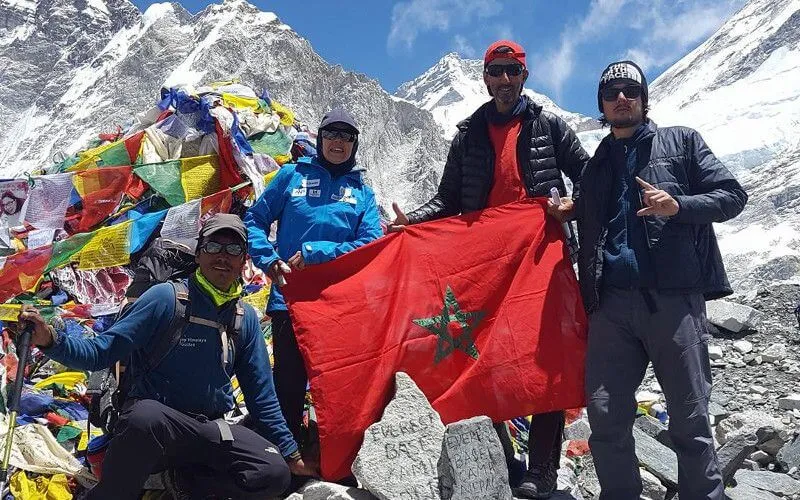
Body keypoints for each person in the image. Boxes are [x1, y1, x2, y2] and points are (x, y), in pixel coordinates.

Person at [388, 40, 590, 499]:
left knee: (548, 358)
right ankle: (500, 458)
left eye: (511, 71)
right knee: (484, 358)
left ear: (524, 75)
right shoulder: (469, 135)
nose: (504, 79)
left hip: (540, 259)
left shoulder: (549, 126)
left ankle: (542, 471)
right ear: (485, 77)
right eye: (496, 71)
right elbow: (448, 199)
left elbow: (589, 175)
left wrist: (572, 206)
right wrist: (411, 223)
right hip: (485, 268)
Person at [18, 214, 315, 500]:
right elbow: (100, 352)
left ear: (243, 261)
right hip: (155, 431)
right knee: (144, 416)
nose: (222, 256)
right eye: (213, 246)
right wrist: (51, 340)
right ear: (198, 254)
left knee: (273, 473)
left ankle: (186, 483)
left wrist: (291, 455)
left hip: (209, 429)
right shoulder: (166, 299)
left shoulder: (244, 318)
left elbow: (262, 397)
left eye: (233, 249)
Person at [576, 60, 748, 500]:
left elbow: (732, 196)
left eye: (630, 90)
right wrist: (568, 212)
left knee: (690, 417)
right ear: (601, 104)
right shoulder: (595, 166)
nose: (621, 98)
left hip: (673, 300)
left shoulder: (682, 142)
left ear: (644, 98)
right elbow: (590, 225)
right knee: (604, 415)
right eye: (611, 92)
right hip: (611, 306)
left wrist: (679, 206)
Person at [245, 107, 383, 450]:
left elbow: (371, 244)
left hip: (341, 305)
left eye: (346, 136)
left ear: (355, 144)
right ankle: (286, 458)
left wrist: (317, 252)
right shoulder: (291, 176)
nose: (338, 141)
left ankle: (333, 460)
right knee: (289, 385)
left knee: (336, 386)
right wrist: (268, 260)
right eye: (331, 134)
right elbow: (255, 220)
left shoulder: (363, 193)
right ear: (320, 139)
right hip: (290, 299)